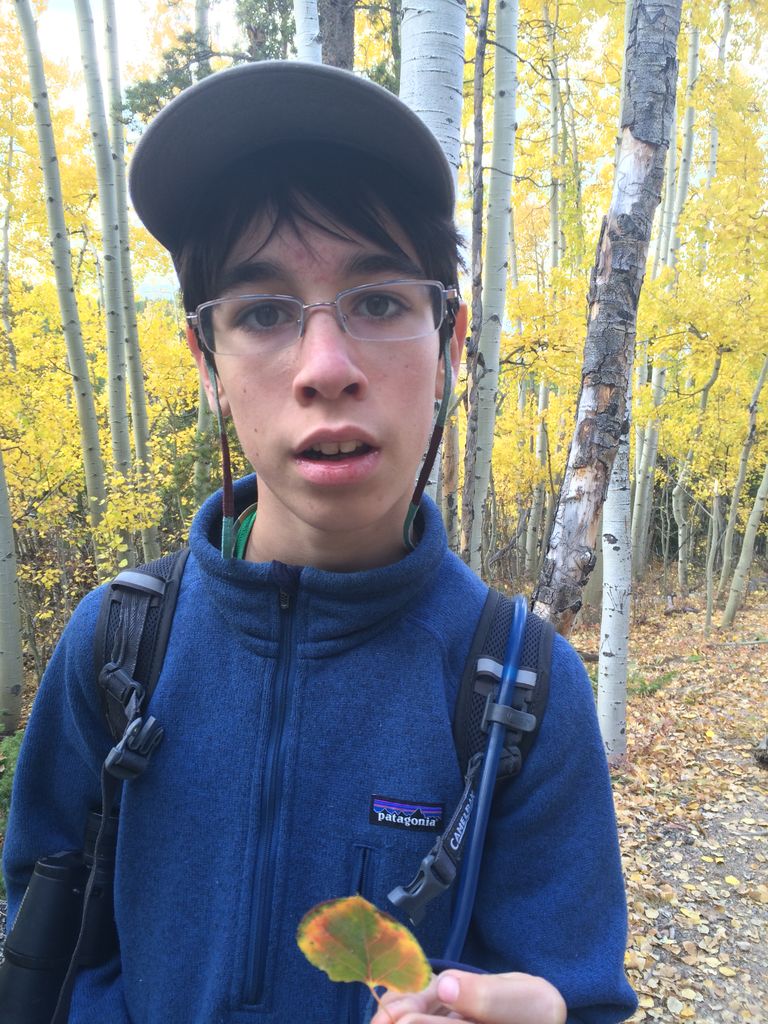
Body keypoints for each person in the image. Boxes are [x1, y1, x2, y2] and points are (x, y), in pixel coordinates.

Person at [3, 61, 637, 1024]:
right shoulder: (117, 648)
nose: (326, 368)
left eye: (379, 302)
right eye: (262, 314)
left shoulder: (522, 691)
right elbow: (41, 941)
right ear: (207, 364)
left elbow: (578, 996)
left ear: (450, 343)